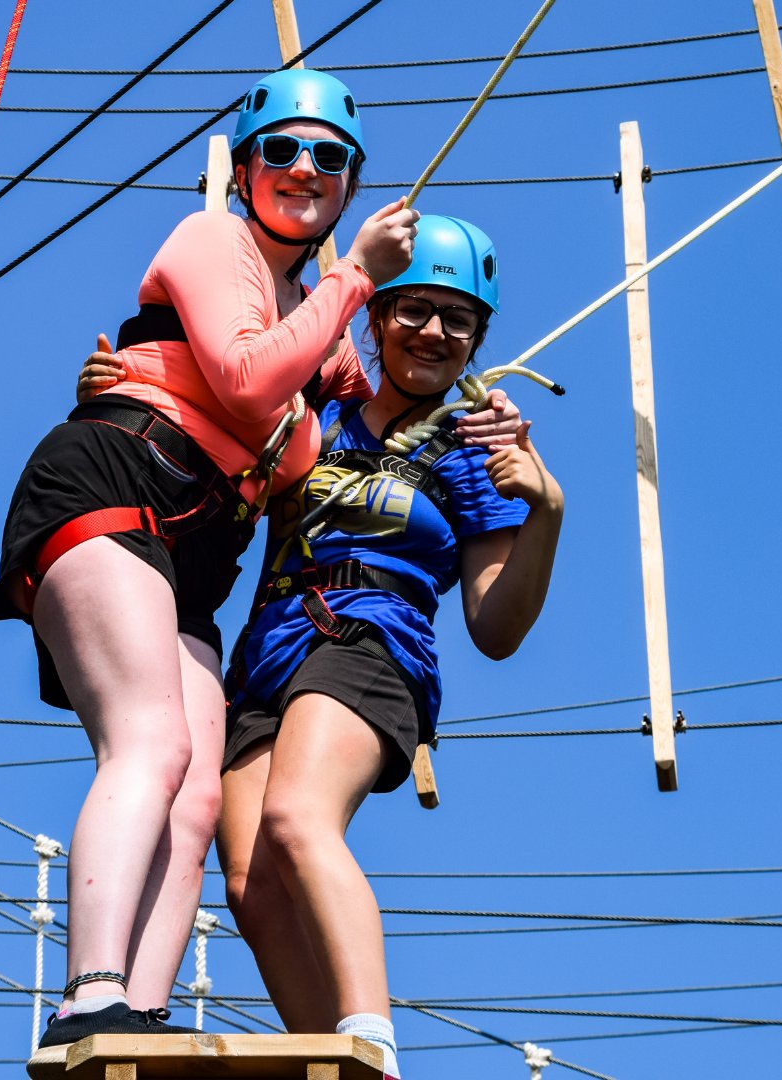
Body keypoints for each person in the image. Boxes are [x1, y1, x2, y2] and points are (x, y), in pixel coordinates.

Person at [0, 68, 420, 1050]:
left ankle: (136, 1010)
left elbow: (377, 412)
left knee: (196, 789)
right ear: (243, 168)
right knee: (149, 740)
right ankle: (90, 990)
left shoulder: (312, 320)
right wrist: (355, 274)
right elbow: (239, 372)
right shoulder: (213, 241)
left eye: (328, 157)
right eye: (283, 149)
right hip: (114, 485)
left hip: (187, 552)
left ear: (350, 179)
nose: (304, 169)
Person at [214, 216, 564, 1080]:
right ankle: (326, 1059)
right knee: (252, 883)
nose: (436, 333)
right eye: (415, 310)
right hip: (268, 648)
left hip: (370, 638)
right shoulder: (317, 411)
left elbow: (496, 628)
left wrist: (545, 513)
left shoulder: (475, 448)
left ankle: (372, 1042)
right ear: (376, 317)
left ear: (479, 338)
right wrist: (121, 388)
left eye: (459, 321)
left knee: (298, 820)